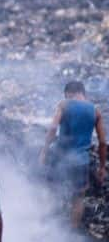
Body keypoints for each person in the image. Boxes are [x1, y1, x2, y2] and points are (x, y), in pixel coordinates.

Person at [40, 81, 107, 228]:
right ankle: (72, 233)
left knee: (52, 189)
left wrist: (44, 150)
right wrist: (102, 168)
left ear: (68, 93)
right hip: (81, 162)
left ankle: (47, 226)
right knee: (78, 198)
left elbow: (52, 128)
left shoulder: (64, 104)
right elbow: (102, 142)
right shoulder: (95, 111)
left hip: (60, 158)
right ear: (84, 93)